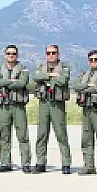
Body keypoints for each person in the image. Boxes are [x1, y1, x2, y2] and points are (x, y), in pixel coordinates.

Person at [30, 43, 74, 174]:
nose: (51, 55)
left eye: (53, 53)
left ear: (58, 54)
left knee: (61, 134)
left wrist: (47, 77)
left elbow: (63, 80)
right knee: (42, 134)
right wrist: (52, 76)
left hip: (57, 104)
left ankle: (66, 164)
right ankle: (40, 163)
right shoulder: (41, 66)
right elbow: (36, 77)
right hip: (44, 102)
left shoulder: (64, 67)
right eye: (48, 53)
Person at [0, 44, 32, 172]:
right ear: (5, 55)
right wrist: (12, 81)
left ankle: (26, 163)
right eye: (9, 53)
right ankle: (5, 163)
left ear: (17, 55)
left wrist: (7, 81)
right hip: (4, 106)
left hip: (18, 106)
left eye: (13, 53)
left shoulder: (23, 69)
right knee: (4, 135)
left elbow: (22, 83)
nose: (11, 55)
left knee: (23, 135)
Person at [74, 48, 97, 176]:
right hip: (86, 109)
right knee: (86, 139)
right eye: (91, 60)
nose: (94, 62)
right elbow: (76, 86)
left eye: (96, 59)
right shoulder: (84, 74)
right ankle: (89, 166)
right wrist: (90, 86)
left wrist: (85, 87)